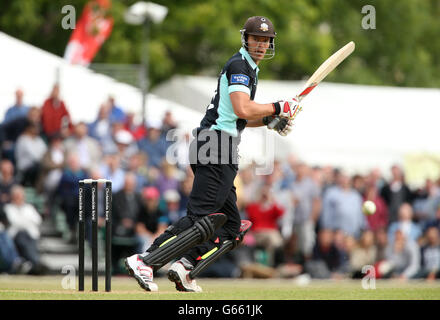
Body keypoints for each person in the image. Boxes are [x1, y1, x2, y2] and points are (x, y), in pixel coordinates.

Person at [124, 16, 298, 292]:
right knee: (200, 217)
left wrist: (269, 121)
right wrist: (278, 107)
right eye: (257, 39)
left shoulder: (249, 69)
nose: (261, 45)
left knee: (232, 228)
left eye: (266, 41)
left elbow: (238, 117)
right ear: (246, 39)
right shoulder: (240, 65)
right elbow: (243, 108)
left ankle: (185, 267)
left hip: (221, 145)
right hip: (214, 145)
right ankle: (145, 260)